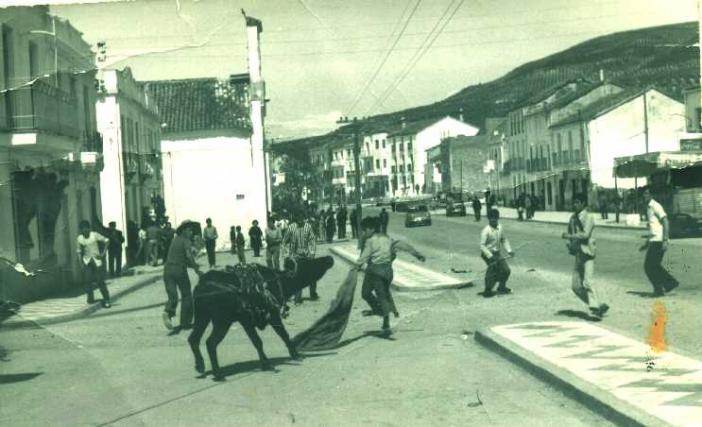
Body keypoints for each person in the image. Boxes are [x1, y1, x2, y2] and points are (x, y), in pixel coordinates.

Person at [355, 216, 425, 334]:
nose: (363, 232)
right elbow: (403, 245)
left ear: (371, 229)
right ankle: (384, 316)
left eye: (365, 230)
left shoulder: (370, 241)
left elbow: (364, 256)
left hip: (374, 272)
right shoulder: (387, 238)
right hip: (388, 272)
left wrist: (356, 266)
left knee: (366, 293)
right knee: (383, 295)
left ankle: (380, 311)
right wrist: (417, 254)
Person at [562, 193, 609, 318]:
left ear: (583, 204)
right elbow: (570, 232)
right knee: (575, 286)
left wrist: (570, 237)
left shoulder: (589, 217)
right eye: (574, 202)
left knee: (588, 282)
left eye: (577, 202)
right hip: (579, 253)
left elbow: (585, 235)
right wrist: (570, 244)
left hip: (588, 253)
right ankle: (596, 305)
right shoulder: (572, 218)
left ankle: (595, 307)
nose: (575, 204)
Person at [162, 221, 203, 330]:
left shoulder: (175, 240)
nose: (191, 232)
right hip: (179, 270)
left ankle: (167, 312)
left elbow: (179, 257)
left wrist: (194, 266)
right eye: (190, 230)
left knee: (173, 295)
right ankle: (185, 322)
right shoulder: (186, 240)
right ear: (184, 231)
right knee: (187, 295)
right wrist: (196, 269)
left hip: (167, 270)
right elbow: (189, 256)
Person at [640, 187, 679, 297]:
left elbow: (666, 221)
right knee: (653, 265)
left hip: (659, 240)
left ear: (651, 195)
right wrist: (647, 243)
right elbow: (654, 228)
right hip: (654, 240)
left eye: (647, 193)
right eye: (643, 194)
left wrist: (665, 240)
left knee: (649, 266)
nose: (644, 196)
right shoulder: (648, 207)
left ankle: (661, 288)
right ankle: (669, 284)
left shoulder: (655, 206)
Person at [479, 209, 515, 297]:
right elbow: (482, 246)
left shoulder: (500, 227)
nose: (493, 220)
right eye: (491, 218)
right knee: (492, 270)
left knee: (506, 270)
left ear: (498, 218)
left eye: (495, 218)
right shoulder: (486, 231)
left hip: (497, 253)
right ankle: (487, 290)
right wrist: (490, 256)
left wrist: (509, 250)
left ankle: (501, 287)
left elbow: (504, 239)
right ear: (488, 219)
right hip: (487, 254)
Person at [283, 215, 317, 304]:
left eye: (301, 219)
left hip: (306, 255)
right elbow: (284, 241)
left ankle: (313, 293)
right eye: (298, 219)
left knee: (312, 275)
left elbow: (312, 240)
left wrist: (312, 253)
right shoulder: (291, 228)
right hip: (295, 256)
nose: (300, 221)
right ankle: (297, 298)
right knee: (297, 277)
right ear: (296, 219)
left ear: (304, 219)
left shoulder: (308, 227)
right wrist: (287, 255)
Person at [76, 220, 111, 308]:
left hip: (97, 261)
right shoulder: (79, 238)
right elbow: (79, 252)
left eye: (86, 229)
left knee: (100, 281)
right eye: (83, 229)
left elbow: (107, 240)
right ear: (80, 230)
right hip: (87, 261)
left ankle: (107, 299)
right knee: (87, 280)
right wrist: (81, 264)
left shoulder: (94, 235)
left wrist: (103, 254)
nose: (85, 231)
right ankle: (90, 298)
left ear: (89, 228)